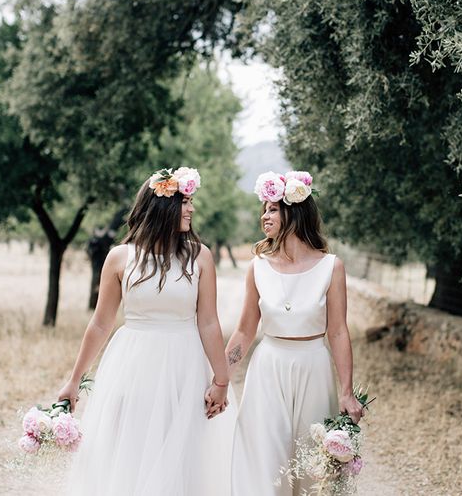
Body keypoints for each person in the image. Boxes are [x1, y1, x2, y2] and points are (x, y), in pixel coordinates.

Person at [58, 167, 234, 496]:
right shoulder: (120, 258)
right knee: (131, 451)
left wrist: (221, 380)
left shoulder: (201, 257)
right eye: (185, 202)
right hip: (132, 366)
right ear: (163, 206)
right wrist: (73, 379)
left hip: (184, 366)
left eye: (192, 202)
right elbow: (100, 323)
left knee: (180, 455)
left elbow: (208, 322)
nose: (191, 209)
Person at [227, 170, 363, 496]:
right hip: (268, 368)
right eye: (264, 209)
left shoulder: (332, 267)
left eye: (272, 209)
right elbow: (245, 331)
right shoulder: (257, 267)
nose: (264, 216)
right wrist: (219, 377)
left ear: (294, 210)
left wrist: (346, 391)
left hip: (313, 367)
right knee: (266, 462)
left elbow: (339, 332)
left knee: (311, 464)